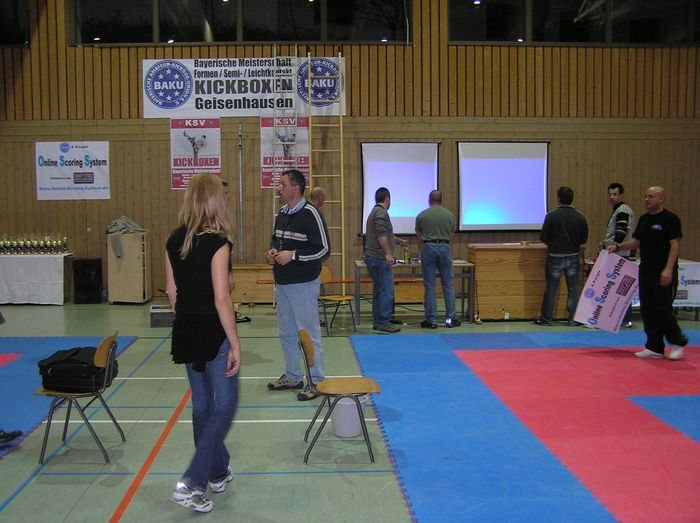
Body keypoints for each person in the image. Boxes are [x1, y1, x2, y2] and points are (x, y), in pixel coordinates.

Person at [165, 173, 241, 513]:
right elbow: (222, 298)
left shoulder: (173, 240)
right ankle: (193, 482)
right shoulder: (218, 243)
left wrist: (187, 317)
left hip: (186, 330)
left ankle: (217, 472)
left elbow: (172, 292)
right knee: (224, 406)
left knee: (202, 407)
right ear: (214, 201)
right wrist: (234, 343)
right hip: (213, 333)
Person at [266, 169, 330, 400]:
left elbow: (324, 249)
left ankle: (317, 381)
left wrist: (293, 255)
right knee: (286, 332)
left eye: (282, 184)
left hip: (303, 283)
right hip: (283, 282)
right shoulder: (282, 213)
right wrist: (273, 251)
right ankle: (293, 375)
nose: (278, 188)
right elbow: (276, 239)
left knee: (308, 334)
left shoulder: (311, 213)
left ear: (295, 187)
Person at [608, 186, 688, 360]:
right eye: (645, 196)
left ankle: (677, 341)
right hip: (645, 270)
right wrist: (618, 246)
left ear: (661, 198)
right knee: (647, 309)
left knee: (662, 309)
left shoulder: (670, 219)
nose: (647, 199)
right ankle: (654, 346)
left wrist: (668, 269)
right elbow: (637, 242)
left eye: (651, 196)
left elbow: (675, 245)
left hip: (663, 271)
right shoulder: (644, 219)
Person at [535, 186, 588, 326]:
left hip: (554, 255)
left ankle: (546, 319)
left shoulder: (551, 216)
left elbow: (544, 237)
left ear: (558, 198)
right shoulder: (580, 217)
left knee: (551, 288)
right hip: (573, 256)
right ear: (572, 199)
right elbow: (583, 239)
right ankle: (573, 318)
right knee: (573, 289)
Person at [364, 187, 407, 334]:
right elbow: (381, 235)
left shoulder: (374, 212)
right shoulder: (381, 213)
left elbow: (385, 234)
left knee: (379, 290)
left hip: (373, 257)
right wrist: (388, 253)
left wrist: (399, 241)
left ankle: (378, 321)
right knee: (386, 291)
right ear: (387, 198)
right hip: (379, 258)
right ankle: (383, 322)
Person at [415, 190, 460, 329]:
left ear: (429, 200)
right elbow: (452, 234)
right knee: (448, 285)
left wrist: (422, 249)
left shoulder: (422, 215)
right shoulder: (450, 215)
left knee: (430, 285)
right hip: (445, 246)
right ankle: (450, 319)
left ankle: (432, 320)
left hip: (428, 247)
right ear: (441, 200)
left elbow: (419, 236)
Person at [600, 182, 636, 328]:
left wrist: (614, 245)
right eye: (610, 194)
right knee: (618, 288)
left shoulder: (622, 210)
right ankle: (621, 318)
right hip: (618, 252)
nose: (612, 197)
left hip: (619, 254)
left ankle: (624, 318)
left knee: (620, 288)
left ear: (621, 195)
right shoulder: (619, 210)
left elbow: (621, 230)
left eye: (615, 194)